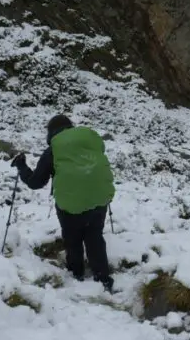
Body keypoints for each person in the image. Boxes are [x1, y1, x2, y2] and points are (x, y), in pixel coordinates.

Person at [11, 114, 116, 292]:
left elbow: (36, 182)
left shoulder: (54, 149)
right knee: (94, 236)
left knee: (73, 239)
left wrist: (22, 167)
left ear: (51, 132)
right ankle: (103, 279)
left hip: (70, 204)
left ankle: (76, 276)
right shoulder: (89, 141)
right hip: (99, 198)